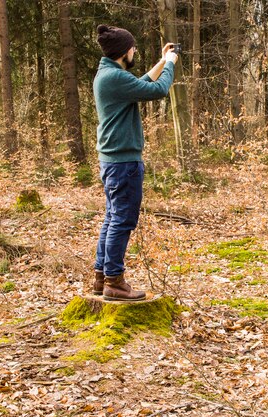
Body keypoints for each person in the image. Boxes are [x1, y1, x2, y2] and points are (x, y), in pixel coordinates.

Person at [92, 24, 178, 301]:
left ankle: (101, 277)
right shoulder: (114, 78)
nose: (135, 51)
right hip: (123, 163)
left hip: (113, 162)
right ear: (124, 51)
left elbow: (139, 83)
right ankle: (114, 282)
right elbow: (158, 90)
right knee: (122, 221)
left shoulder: (110, 75)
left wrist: (163, 60)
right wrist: (171, 66)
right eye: (133, 48)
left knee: (112, 219)